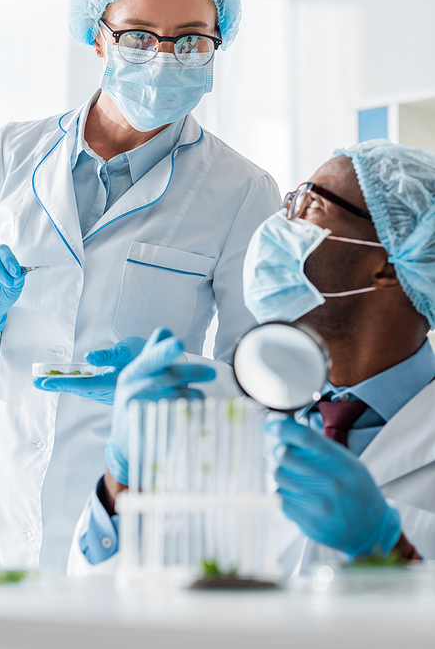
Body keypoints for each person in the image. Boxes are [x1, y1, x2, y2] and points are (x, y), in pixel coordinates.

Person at [0, 0, 280, 577]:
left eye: (190, 40)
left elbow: (260, 383)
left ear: (218, 43)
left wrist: (172, 384)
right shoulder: (14, 151)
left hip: (131, 510)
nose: (164, 56)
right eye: (139, 35)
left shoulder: (242, 191)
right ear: (98, 34)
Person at [68, 138, 435, 574]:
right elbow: (109, 600)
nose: (281, 221)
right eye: (289, 202)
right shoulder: (225, 419)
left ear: (390, 263)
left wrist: (389, 548)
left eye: (310, 205)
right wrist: (121, 480)